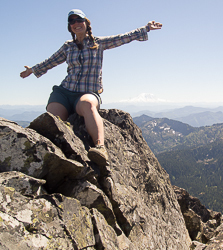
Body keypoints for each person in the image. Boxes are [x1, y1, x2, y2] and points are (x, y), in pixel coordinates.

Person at [20, 9, 162, 167]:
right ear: (70, 27)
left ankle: (100, 148)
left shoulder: (98, 43)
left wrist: (146, 28)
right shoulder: (68, 47)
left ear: (86, 23)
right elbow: (51, 61)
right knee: (52, 118)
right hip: (64, 92)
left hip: (87, 93)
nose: (75, 23)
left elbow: (123, 38)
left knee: (88, 105)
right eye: (72, 22)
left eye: (78, 20)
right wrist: (32, 70)